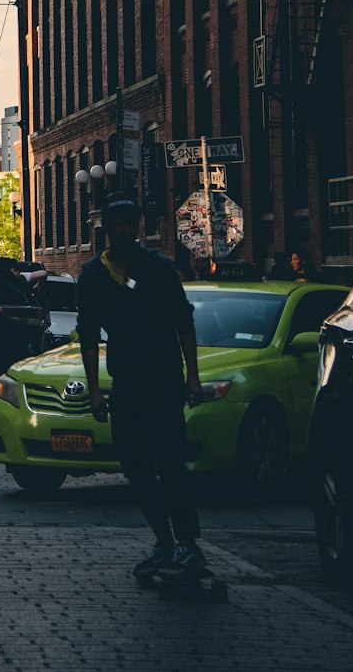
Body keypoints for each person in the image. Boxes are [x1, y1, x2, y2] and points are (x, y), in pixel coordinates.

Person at [76, 195, 206, 581]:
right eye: (119, 225)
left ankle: (188, 544)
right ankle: (164, 541)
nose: (126, 231)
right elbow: (87, 334)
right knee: (135, 464)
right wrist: (95, 389)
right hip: (126, 381)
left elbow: (184, 322)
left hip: (164, 378)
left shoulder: (157, 268)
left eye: (132, 224)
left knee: (170, 462)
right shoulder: (94, 276)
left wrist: (192, 375)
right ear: (107, 229)